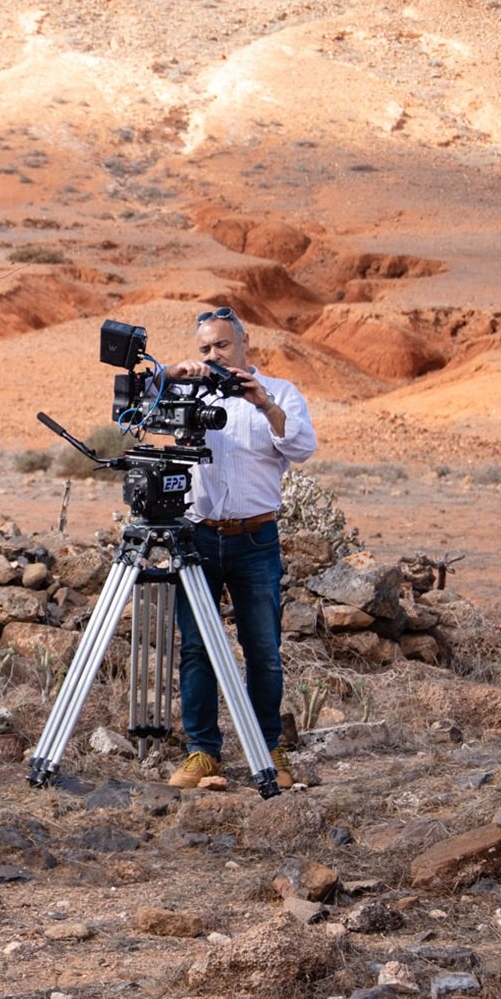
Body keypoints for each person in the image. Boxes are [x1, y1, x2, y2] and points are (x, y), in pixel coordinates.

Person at [163, 306, 317, 790]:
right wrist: (169, 374)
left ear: (244, 344)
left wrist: (264, 403)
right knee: (197, 649)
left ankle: (266, 745)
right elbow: (134, 401)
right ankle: (202, 754)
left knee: (264, 650)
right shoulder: (186, 390)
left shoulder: (282, 393)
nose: (213, 355)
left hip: (256, 538)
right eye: (205, 348)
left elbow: (302, 447)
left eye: (221, 345)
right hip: (198, 536)